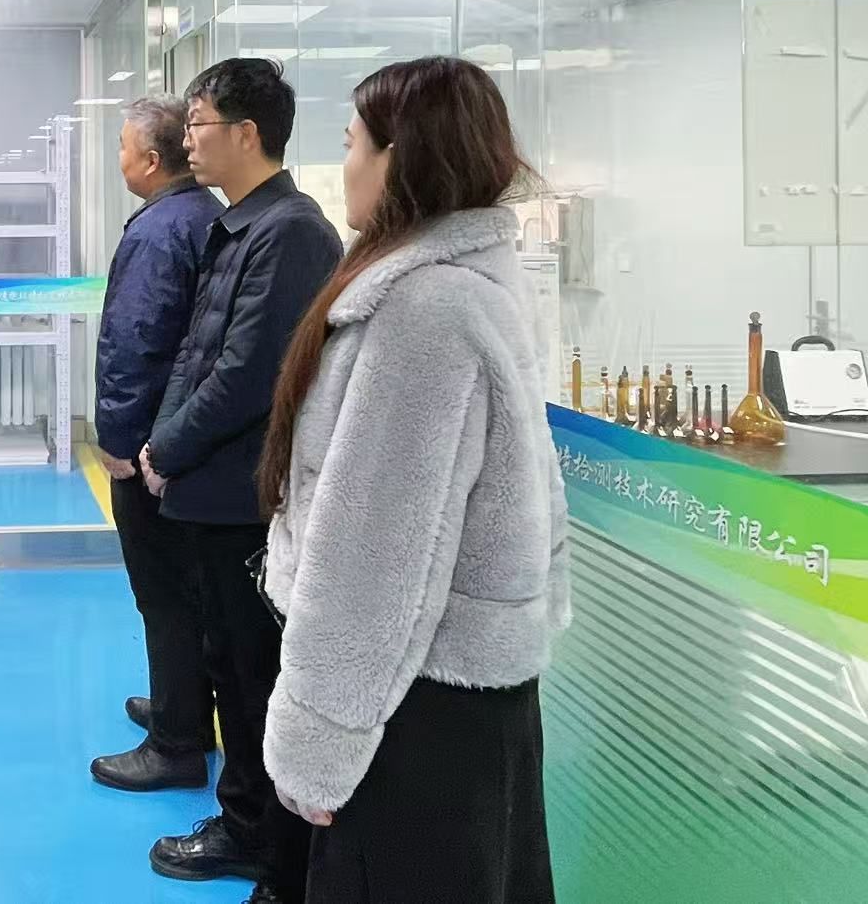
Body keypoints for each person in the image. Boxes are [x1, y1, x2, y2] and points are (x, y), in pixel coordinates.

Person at [257, 57, 568, 901]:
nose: (344, 166)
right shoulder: (473, 288)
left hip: (410, 711)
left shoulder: (423, 311)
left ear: (399, 157)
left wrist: (319, 741)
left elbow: (376, 554)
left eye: (351, 144)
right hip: (462, 699)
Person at [139, 58, 342, 904]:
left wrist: (166, 450)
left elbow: (248, 374)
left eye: (199, 124)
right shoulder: (241, 227)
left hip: (244, 499)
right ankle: (248, 821)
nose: (187, 140)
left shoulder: (290, 233)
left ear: (247, 133)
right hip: (213, 491)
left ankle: (264, 844)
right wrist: (164, 444)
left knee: (255, 677)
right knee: (229, 663)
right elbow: (201, 354)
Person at [87, 95, 221, 792]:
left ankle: (176, 744)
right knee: (191, 592)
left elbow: (134, 341)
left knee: (163, 595)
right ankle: (185, 706)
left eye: (121, 146)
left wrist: (116, 441)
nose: (118, 159)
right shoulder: (207, 216)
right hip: (189, 439)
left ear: (147, 158)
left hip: (149, 448)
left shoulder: (159, 229)